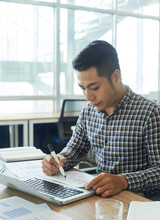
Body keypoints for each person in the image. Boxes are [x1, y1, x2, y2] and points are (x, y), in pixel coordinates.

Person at [42, 40, 160, 198]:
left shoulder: (150, 113)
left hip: (138, 203)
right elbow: (75, 150)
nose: (88, 97)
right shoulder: (88, 112)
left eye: (94, 87)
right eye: (82, 88)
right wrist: (59, 161)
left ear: (116, 77)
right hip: (101, 201)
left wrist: (124, 181)